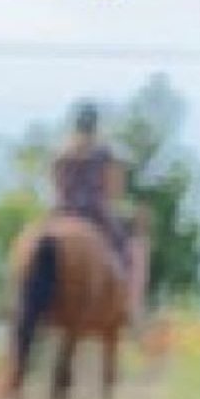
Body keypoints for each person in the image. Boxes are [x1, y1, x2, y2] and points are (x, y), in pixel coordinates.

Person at [48, 102, 132, 272]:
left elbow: (55, 184)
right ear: (95, 125)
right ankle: (122, 284)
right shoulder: (104, 152)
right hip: (94, 211)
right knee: (122, 246)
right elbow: (114, 191)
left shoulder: (62, 153)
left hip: (62, 211)